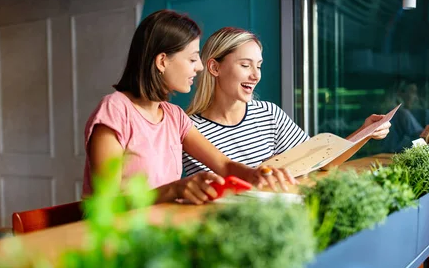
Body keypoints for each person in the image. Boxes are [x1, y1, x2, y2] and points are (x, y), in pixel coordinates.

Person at [82, 11, 295, 205]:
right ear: (162, 61)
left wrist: (256, 174)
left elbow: (224, 165)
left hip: (161, 232)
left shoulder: (175, 116)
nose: (200, 67)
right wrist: (174, 189)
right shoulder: (115, 111)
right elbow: (106, 205)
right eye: (192, 58)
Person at [183, 27, 391, 177]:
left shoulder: (269, 114)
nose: (256, 75)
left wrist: (365, 132)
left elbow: (321, 161)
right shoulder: (188, 129)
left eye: (259, 66)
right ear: (215, 68)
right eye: (246, 65)